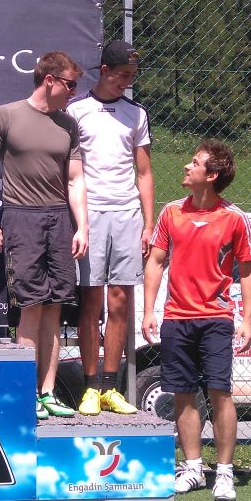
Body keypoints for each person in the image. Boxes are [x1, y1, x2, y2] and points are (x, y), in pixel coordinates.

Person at [0, 51, 89, 420]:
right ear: (49, 80)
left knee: (55, 306)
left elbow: (75, 180)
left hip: (60, 220)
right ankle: (27, 395)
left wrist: (82, 226)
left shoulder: (68, 125)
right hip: (21, 217)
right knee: (31, 305)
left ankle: (48, 392)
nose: (74, 92)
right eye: (70, 84)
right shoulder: (6, 115)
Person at [141, 140, 251, 501]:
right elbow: (155, 261)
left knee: (220, 393)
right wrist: (149, 311)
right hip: (177, 319)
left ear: (212, 175)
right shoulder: (171, 213)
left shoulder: (234, 218)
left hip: (216, 320)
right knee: (182, 393)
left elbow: (248, 270)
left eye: (195, 162)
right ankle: (193, 468)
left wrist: (247, 319)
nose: (186, 166)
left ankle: (224, 473)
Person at [66, 40, 154, 416]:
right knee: (91, 301)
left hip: (127, 213)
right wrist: (78, 221)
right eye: (121, 75)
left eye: (131, 76)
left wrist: (149, 223)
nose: (126, 82)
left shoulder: (137, 114)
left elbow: (144, 173)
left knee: (120, 301)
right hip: (90, 214)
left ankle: (110, 386)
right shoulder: (75, 110)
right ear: (104, 70)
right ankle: (89, 386)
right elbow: (69, 170)